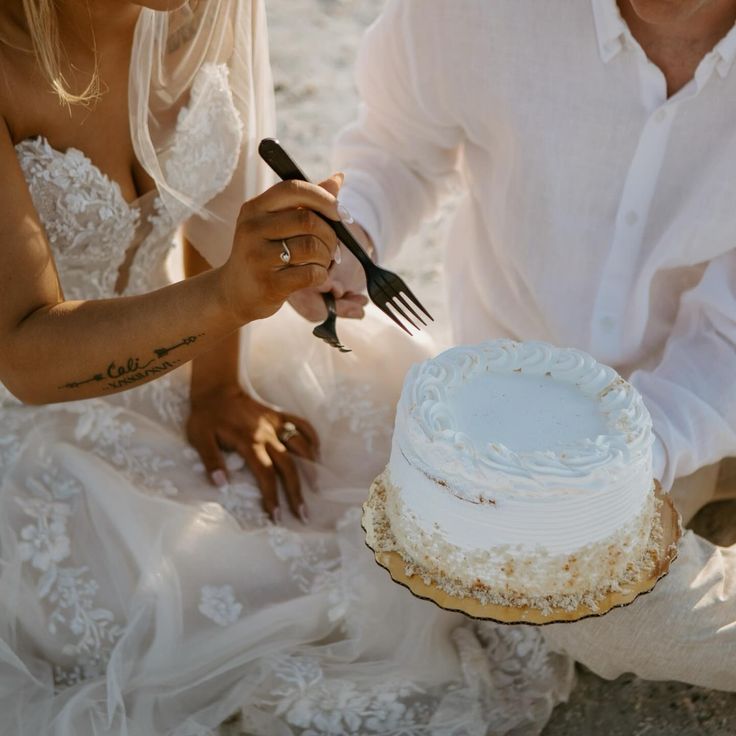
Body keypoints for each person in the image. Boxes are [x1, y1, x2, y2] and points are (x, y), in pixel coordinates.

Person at [0, 2, 574, 734]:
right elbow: (22, 352)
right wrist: (224, 298)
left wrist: (218, 383)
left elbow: (218, 198)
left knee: (435, 481)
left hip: (192, 340)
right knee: (205, 600)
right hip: (29, 412)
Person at [299, 0, 736, 693]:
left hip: (699, 394)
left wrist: (611, 466)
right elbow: (398, 148)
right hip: (517, 420)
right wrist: (351, 239)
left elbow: (728, 340)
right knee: (582, 606)